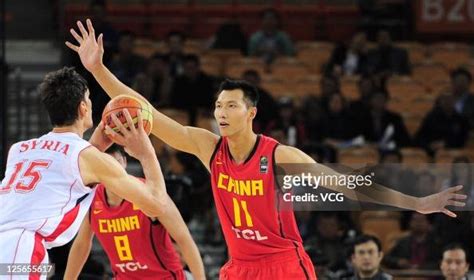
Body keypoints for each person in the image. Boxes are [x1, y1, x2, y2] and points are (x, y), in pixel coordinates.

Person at [67, 19, 467, 279]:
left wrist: (415, 202)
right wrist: (98, 69)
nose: (221, 112)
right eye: (218, 106)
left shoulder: (280, 157)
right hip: (238, 267)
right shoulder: (209, 149)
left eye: (231, 106)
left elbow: (351, 185)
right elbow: (149, 111)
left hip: (283, 265)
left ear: (251, 112)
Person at [0, 67, 204, 280]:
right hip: (21, 250)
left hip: (10, 252)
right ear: (83, 108)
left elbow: (65, 166)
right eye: (88, 99)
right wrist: (146, 153)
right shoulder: (87, 157)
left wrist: (96, 145)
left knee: (48, 271)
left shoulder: (19, 149)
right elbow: (155, 203)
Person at [64, 144, 197, 279]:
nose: (111, 170)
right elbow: (81, 244)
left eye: (116, 163)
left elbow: (184, 239)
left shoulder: (148, 192)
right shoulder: (92, 198)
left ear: (125, 163)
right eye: (105, 164)